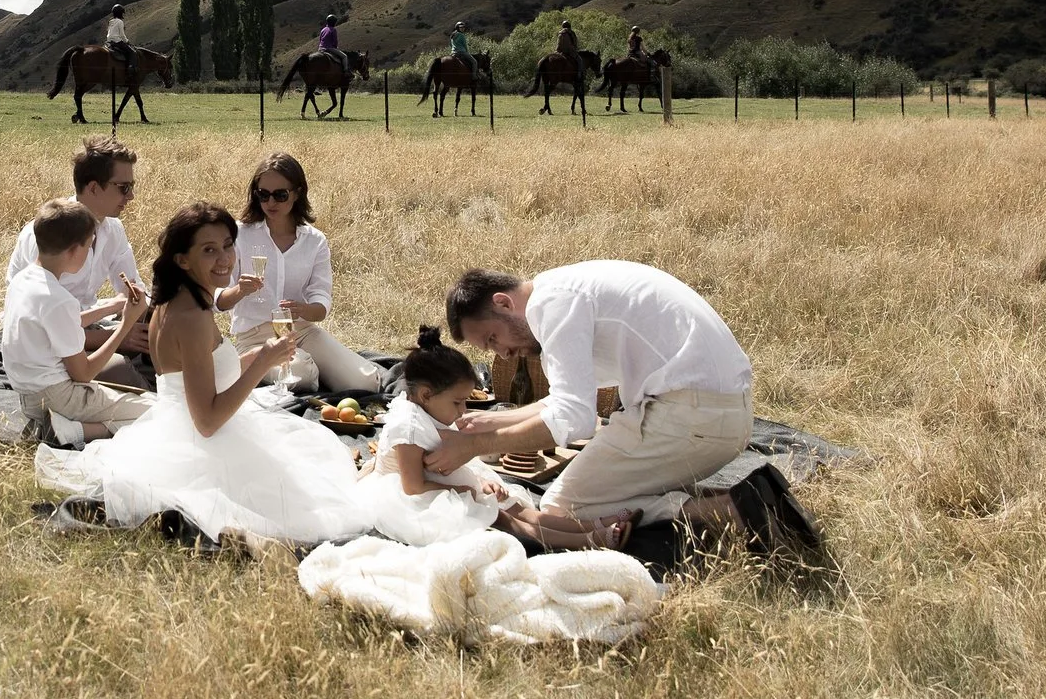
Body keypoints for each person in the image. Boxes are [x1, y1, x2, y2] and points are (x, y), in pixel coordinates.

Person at [36, 202, 399, 546]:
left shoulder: (188, 298)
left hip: (180, 424)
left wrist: (258, 355)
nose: (225, 258)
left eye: (227, 245)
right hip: (202, 443)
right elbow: (207, 420)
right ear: (182, 259)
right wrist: (260, 364)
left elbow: (204, 374)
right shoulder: (190, 316)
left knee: (313, 463)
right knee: (317, 498)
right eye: (208, 250)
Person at [437, 261, 753, 532]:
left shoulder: (553, 306)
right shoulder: (560, 291)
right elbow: (567, 399)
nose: (502, 354)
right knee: (601, 493)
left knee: (563, 509)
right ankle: (753, 495)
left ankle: (737, 510)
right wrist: (493, 419)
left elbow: (576, 419)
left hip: (696, 418)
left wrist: (477, 445)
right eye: (489, 348)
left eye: (493, 338)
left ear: (503, 303)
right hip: (720, 413)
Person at [363, 330, 633, 549]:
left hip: (446, 481)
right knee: (505, 518)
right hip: (416, 496)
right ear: (425, 395)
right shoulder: (408, 428)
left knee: (518, 507)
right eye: (457, 402)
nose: (463, 411)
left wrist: (481, 482)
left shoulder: (430, 410)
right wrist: (463, 490)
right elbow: (412, 486)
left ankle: (594, 523)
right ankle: (586, 541)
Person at [224, 152, 386, 394]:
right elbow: (218, 299)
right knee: (302, 374)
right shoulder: (239, 235)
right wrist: (239, 290)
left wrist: (304, 310)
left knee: (366, 383)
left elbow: (321, 303)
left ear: (297, 193)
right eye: (263, 194)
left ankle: (319, 372)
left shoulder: (315, 241)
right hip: (255, 337)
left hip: (303, 331)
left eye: (280, 195)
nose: (271, 203)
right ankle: (309, 373)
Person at [3, 200, 150, 442]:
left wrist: (112, 307)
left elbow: (60, 321)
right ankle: (72, 431)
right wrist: (125, 325)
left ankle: (65, 427)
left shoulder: (23, 281)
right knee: (155, 411)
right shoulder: (60, 300)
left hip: (29, 397)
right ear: (74, 250)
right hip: (59, 398)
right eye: (89, 246)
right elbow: (83, 374)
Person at [6, 136, 149, 356]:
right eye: (124, 187)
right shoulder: (52, 232)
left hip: (83, 325)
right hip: (46, 343)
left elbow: (132, 290)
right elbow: (44, 331)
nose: (131, 196)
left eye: (132, 186)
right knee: (122, 370)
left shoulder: (112, 229)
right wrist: (120, 336)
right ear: (93, 188)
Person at [103, 3, 135, 75]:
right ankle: (130, 68)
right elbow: (122, 35)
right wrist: (127, 41)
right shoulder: (120, 22)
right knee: (132, 52)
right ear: (120, 13)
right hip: (117, 41)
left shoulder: (110, 21)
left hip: (109, 41)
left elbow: (108, 31)